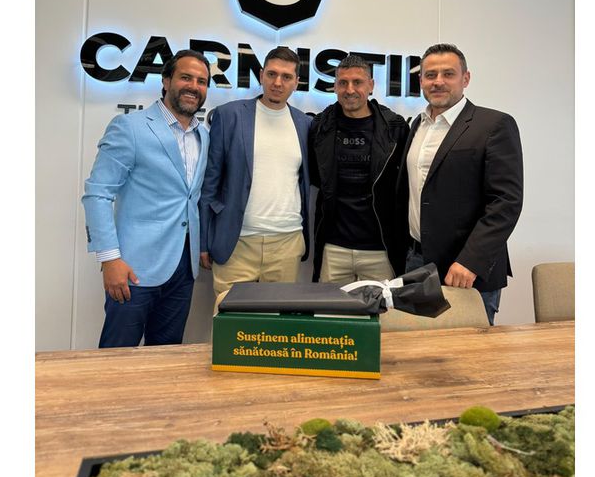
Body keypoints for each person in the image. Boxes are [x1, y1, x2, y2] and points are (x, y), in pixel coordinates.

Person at [81, 49, 211, 348]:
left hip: (183, 269)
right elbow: (97, 194)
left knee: (166, 357)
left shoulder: (203, 135)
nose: (194, 86)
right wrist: (109, 259)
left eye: (202, 81)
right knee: (116, 357)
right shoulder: (130, 127)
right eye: (186, 77)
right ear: (166, 81)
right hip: (133, 268)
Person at [396, 43, 523, 325]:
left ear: (465, 78)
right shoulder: (417, 125)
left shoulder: (494, 125)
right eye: (430, 75)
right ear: (421, 81)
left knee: (470, 350)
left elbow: (505, 202)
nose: (438, 81)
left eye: (448, 74)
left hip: (466, 270)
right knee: (418, 345)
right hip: (417, 262)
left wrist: (470, 261)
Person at [200, 47, 312, 296]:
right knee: (229, 318)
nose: (277, 83)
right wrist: (203, 240)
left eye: (286, 77)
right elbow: (210, 183)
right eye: (272, 74)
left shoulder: (305, 124)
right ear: (261, 75)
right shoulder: (229, 115)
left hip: (287, 242)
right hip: (236, 242)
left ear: (296, 82)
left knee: (279, 320)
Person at [308, 54, 410, 284]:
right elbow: (316, 177)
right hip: (334, 248)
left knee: (382, 309)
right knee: (330, 308)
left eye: (358, 82)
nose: (350, 89)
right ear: (335, 86)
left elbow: (403, 185)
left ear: (371, 85)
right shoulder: (320, 127)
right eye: (343, 82)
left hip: (380, 250)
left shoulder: (395, 128)